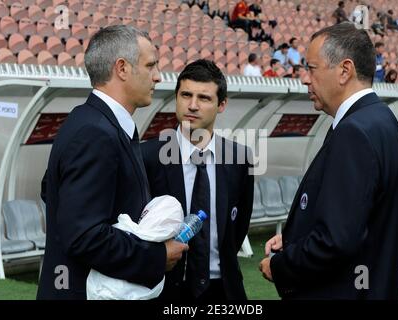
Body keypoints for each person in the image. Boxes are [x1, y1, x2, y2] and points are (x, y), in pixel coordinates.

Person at [259, 22, 398, 300]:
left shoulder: (354, 131)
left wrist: (281, 265)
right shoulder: (382, 120)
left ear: (344, 70)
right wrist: (295, 240)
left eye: (312, 68)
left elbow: (335, 242)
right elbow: (356, 220)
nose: (305, 78)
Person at [36, 25, 188, 300]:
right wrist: (156, 255)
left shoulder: (93, 121)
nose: (158, 76)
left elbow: (52, 190)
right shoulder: (94, 131)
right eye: (151, 65)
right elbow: (83, 236)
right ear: (122, 68)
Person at [141, 59, 254, 301]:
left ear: (221, 104)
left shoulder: (239, 158)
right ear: (176, 97)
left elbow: (239, 224)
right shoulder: (147, 157)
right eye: (186, 95)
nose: (192, 105)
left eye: (204, 98)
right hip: (164, 288)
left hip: (223, 287)